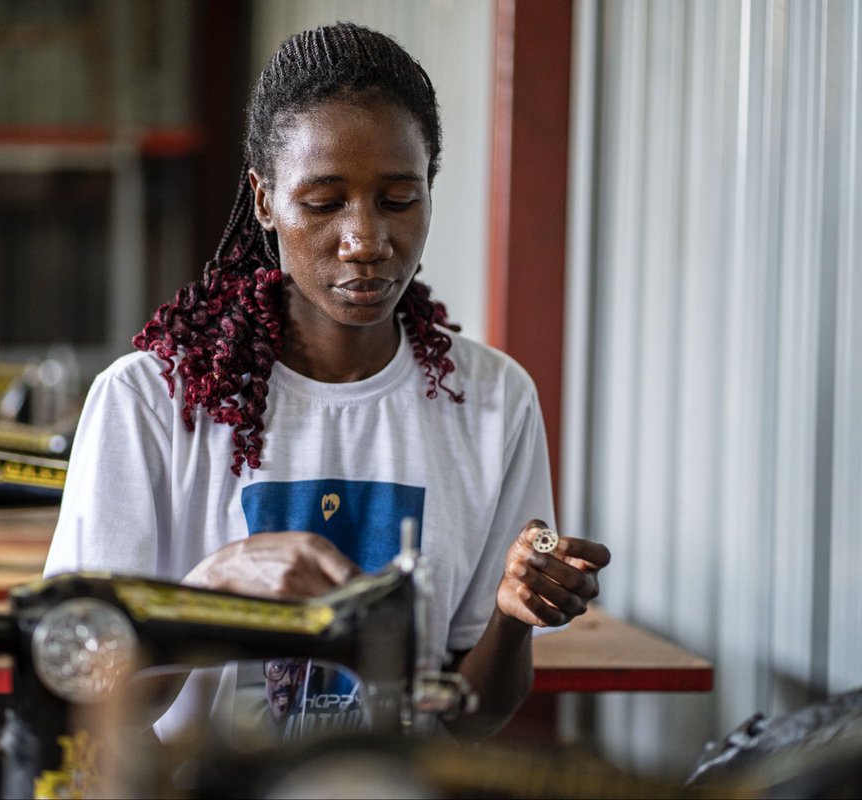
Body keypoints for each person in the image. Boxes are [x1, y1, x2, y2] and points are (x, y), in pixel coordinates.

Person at [45, 20, 610, 739]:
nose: (366, 240)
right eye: (323, 203)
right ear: (264, 201)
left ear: (431, 190)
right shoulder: (149, 403)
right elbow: (87, 700)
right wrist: (208, 591)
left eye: (399, 199)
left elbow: (469, 715)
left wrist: (510, 616)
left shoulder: (493, 403)